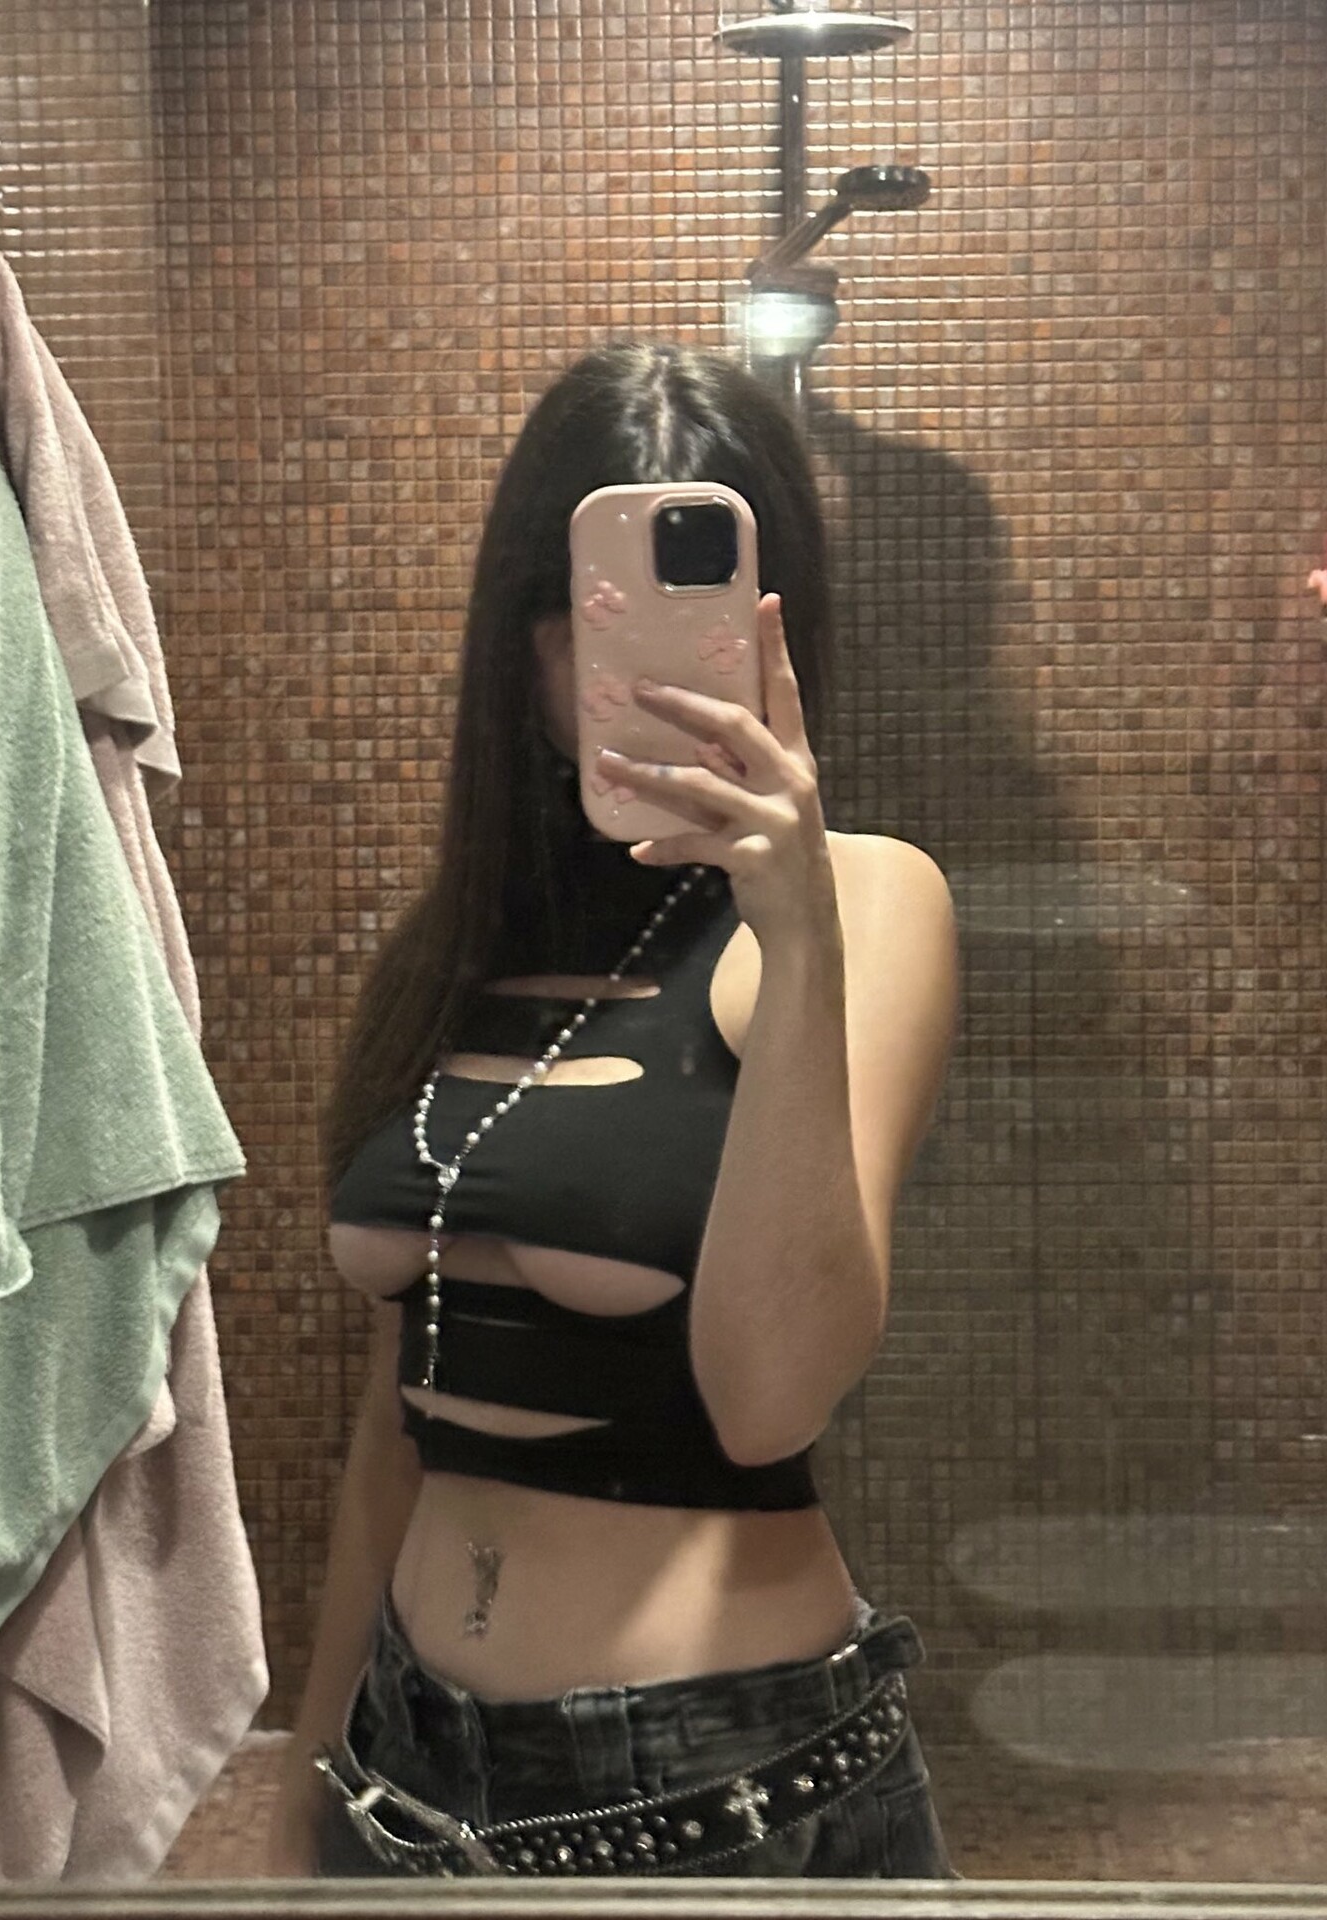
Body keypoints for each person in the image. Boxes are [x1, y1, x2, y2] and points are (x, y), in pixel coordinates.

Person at [267, 339, 960, 1880]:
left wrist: (792, 931)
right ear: (520, 634)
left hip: (720, 1792)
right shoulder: (459, 945)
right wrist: (308, 1784)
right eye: (575, 612)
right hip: (404, 1771)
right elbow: (398, 1418)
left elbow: (771, 1398)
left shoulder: (864, 903)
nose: (626, 668)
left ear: (773, 626)